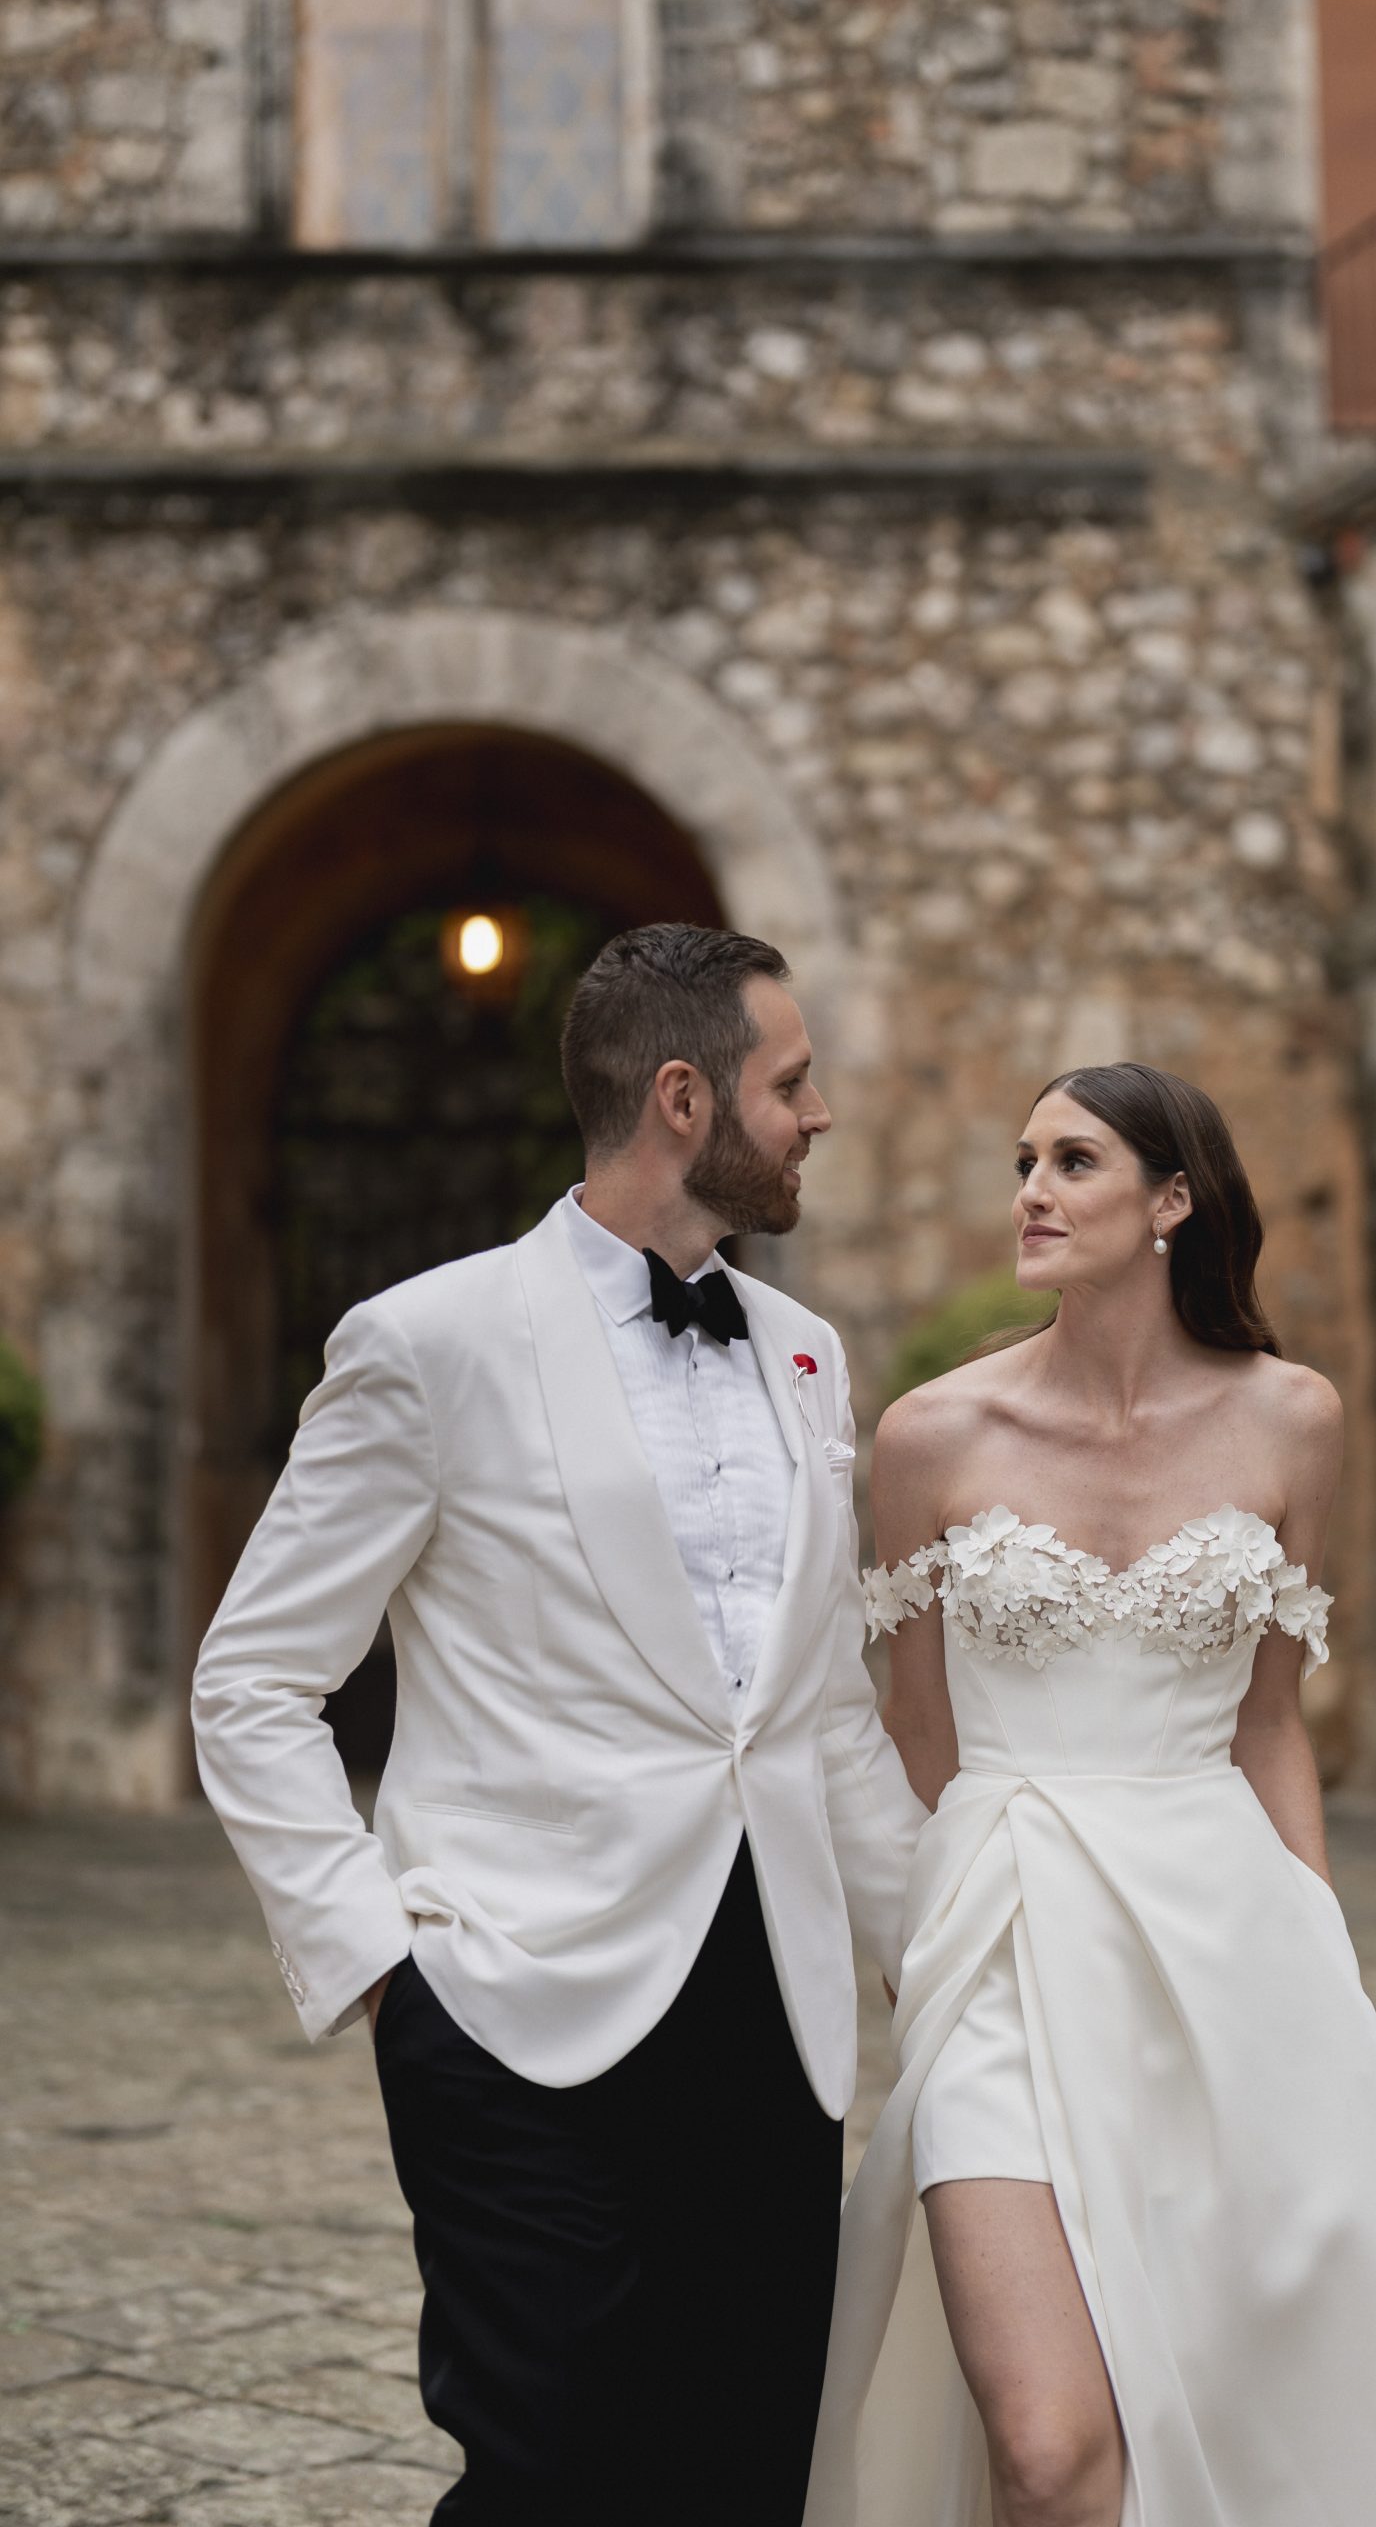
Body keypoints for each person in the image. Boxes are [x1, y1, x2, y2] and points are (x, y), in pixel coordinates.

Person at [193, 923, 925, 2527]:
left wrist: (944, 1963)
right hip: (512, 2010)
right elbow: (252, 1680)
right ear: (683, 1097)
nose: (820, 1116)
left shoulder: (808, 1358)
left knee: (745, 2469)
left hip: (774, 2025)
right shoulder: (428, 1342)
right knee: (550, 2480)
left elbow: (825, 1719)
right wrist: (385, 1969)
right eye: (790, 1083)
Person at [806, 1062, 1376, 2527]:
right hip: (1004, 1930)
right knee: (1047, 2449)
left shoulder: (1293, 1419)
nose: (1032, 1192)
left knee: (1231, 2389)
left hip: (1231, 1947)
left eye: (1076, 1162)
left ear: (1174, 1200)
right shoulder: (931, 1437)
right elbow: (912, 1729)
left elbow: (1273, 1723)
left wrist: (1322, 1952)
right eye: (1024, 1162)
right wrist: (923, 1958)